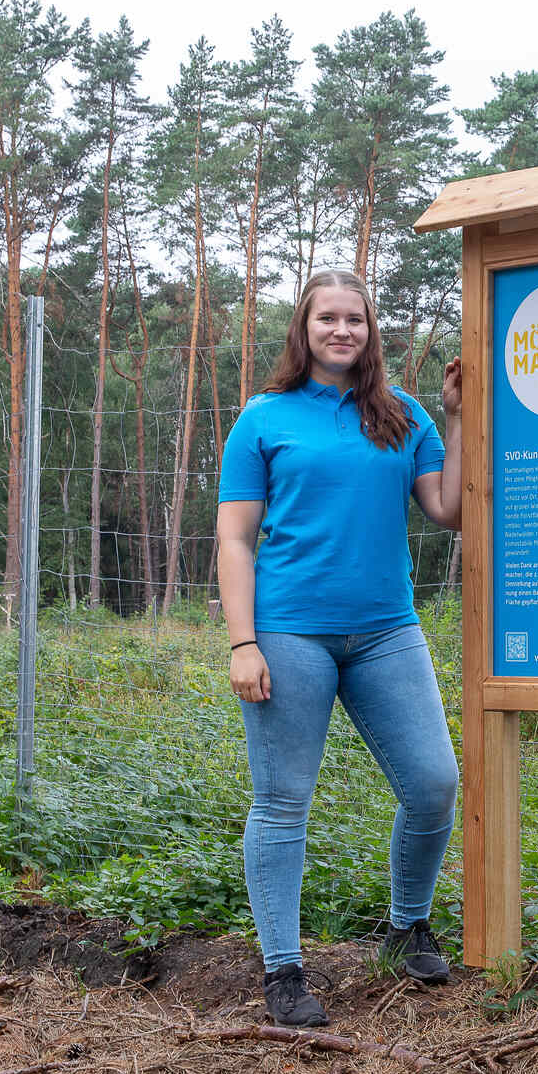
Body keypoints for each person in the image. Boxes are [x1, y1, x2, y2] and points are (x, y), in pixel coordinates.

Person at [217, 268, 463, 1028]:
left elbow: (448, 511)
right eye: (328, 318)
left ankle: (404, 927)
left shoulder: (401, 415)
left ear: (370, 331)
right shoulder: (264, 418)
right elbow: (233, 536)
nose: (342, 331)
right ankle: (284, 973)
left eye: (355, 319)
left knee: (433, 785)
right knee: (283, 802)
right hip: (289, 631)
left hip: (387, 629)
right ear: (305, 327)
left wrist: (455, 419)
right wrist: (242, 642)